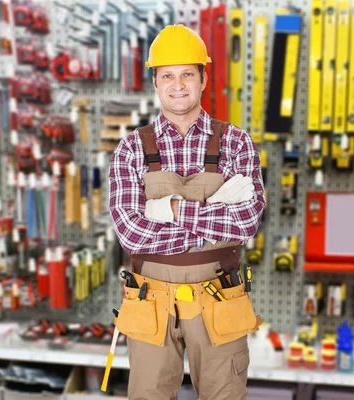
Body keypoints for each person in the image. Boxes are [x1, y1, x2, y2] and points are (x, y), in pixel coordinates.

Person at [108, 24, 265, 400]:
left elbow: (246, 221)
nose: (178, 85)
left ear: (204, 78)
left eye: (187, 75)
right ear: (155, 83)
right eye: (168, 76)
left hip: (219, 301)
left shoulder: (236, 142)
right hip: (151, 305)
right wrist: (213, 213)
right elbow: (130, 231)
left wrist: (169, 210)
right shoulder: (131, 148)